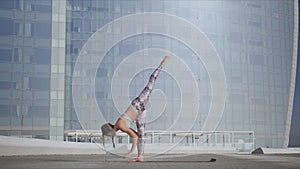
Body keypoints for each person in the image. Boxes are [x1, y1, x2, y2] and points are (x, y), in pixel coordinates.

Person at [103, 55, 170, 162]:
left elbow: (134, 136)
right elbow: (135, 134)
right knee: (142, 134)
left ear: (110, 131)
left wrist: (130, 152)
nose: (110, 136)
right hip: (139, 113)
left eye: (109, 135)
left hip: (138, 104)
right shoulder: (118, 126)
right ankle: (140, 156)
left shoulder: (120, 126)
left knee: (151, 81)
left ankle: (162, 64)